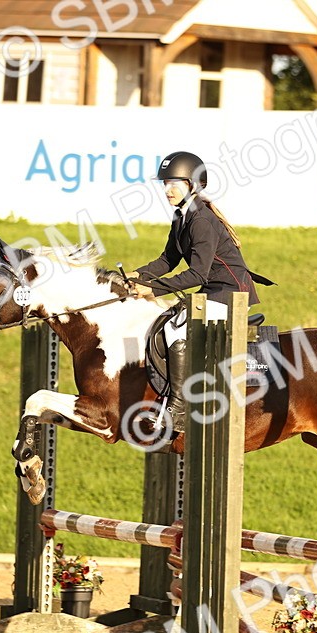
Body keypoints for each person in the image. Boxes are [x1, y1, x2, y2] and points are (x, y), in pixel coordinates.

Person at [128, 151, 274, 433]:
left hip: (231, 292)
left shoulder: (201, 221)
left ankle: (179, 408)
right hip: (213, 288)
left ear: (193, 184)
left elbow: (197, 274)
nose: (167, 190)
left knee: (176, 329)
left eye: (174, 183)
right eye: (165, 183)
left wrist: (152, 288)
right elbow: (168, 260)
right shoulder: (182, 216)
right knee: (168, 319)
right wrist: (136, 275)